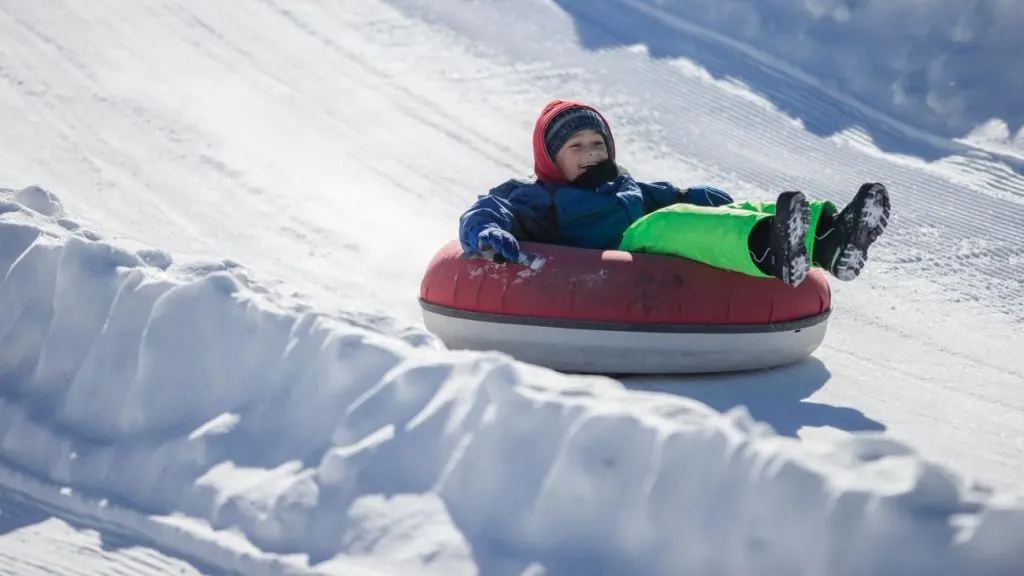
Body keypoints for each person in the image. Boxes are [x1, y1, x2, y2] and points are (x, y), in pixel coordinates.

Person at [458, 99, 890, 287]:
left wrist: (698, 196)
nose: (591, 153)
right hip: (614, 260)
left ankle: (830, 238)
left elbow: (667, 194)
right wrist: (486, 231)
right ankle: (768, 250)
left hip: (648, 246)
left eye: (598, 143)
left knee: (749, 209)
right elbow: (492, 207)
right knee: (666, 223)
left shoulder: (625, 185)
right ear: (553, 158)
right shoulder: (542, 196)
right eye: (577, 147)